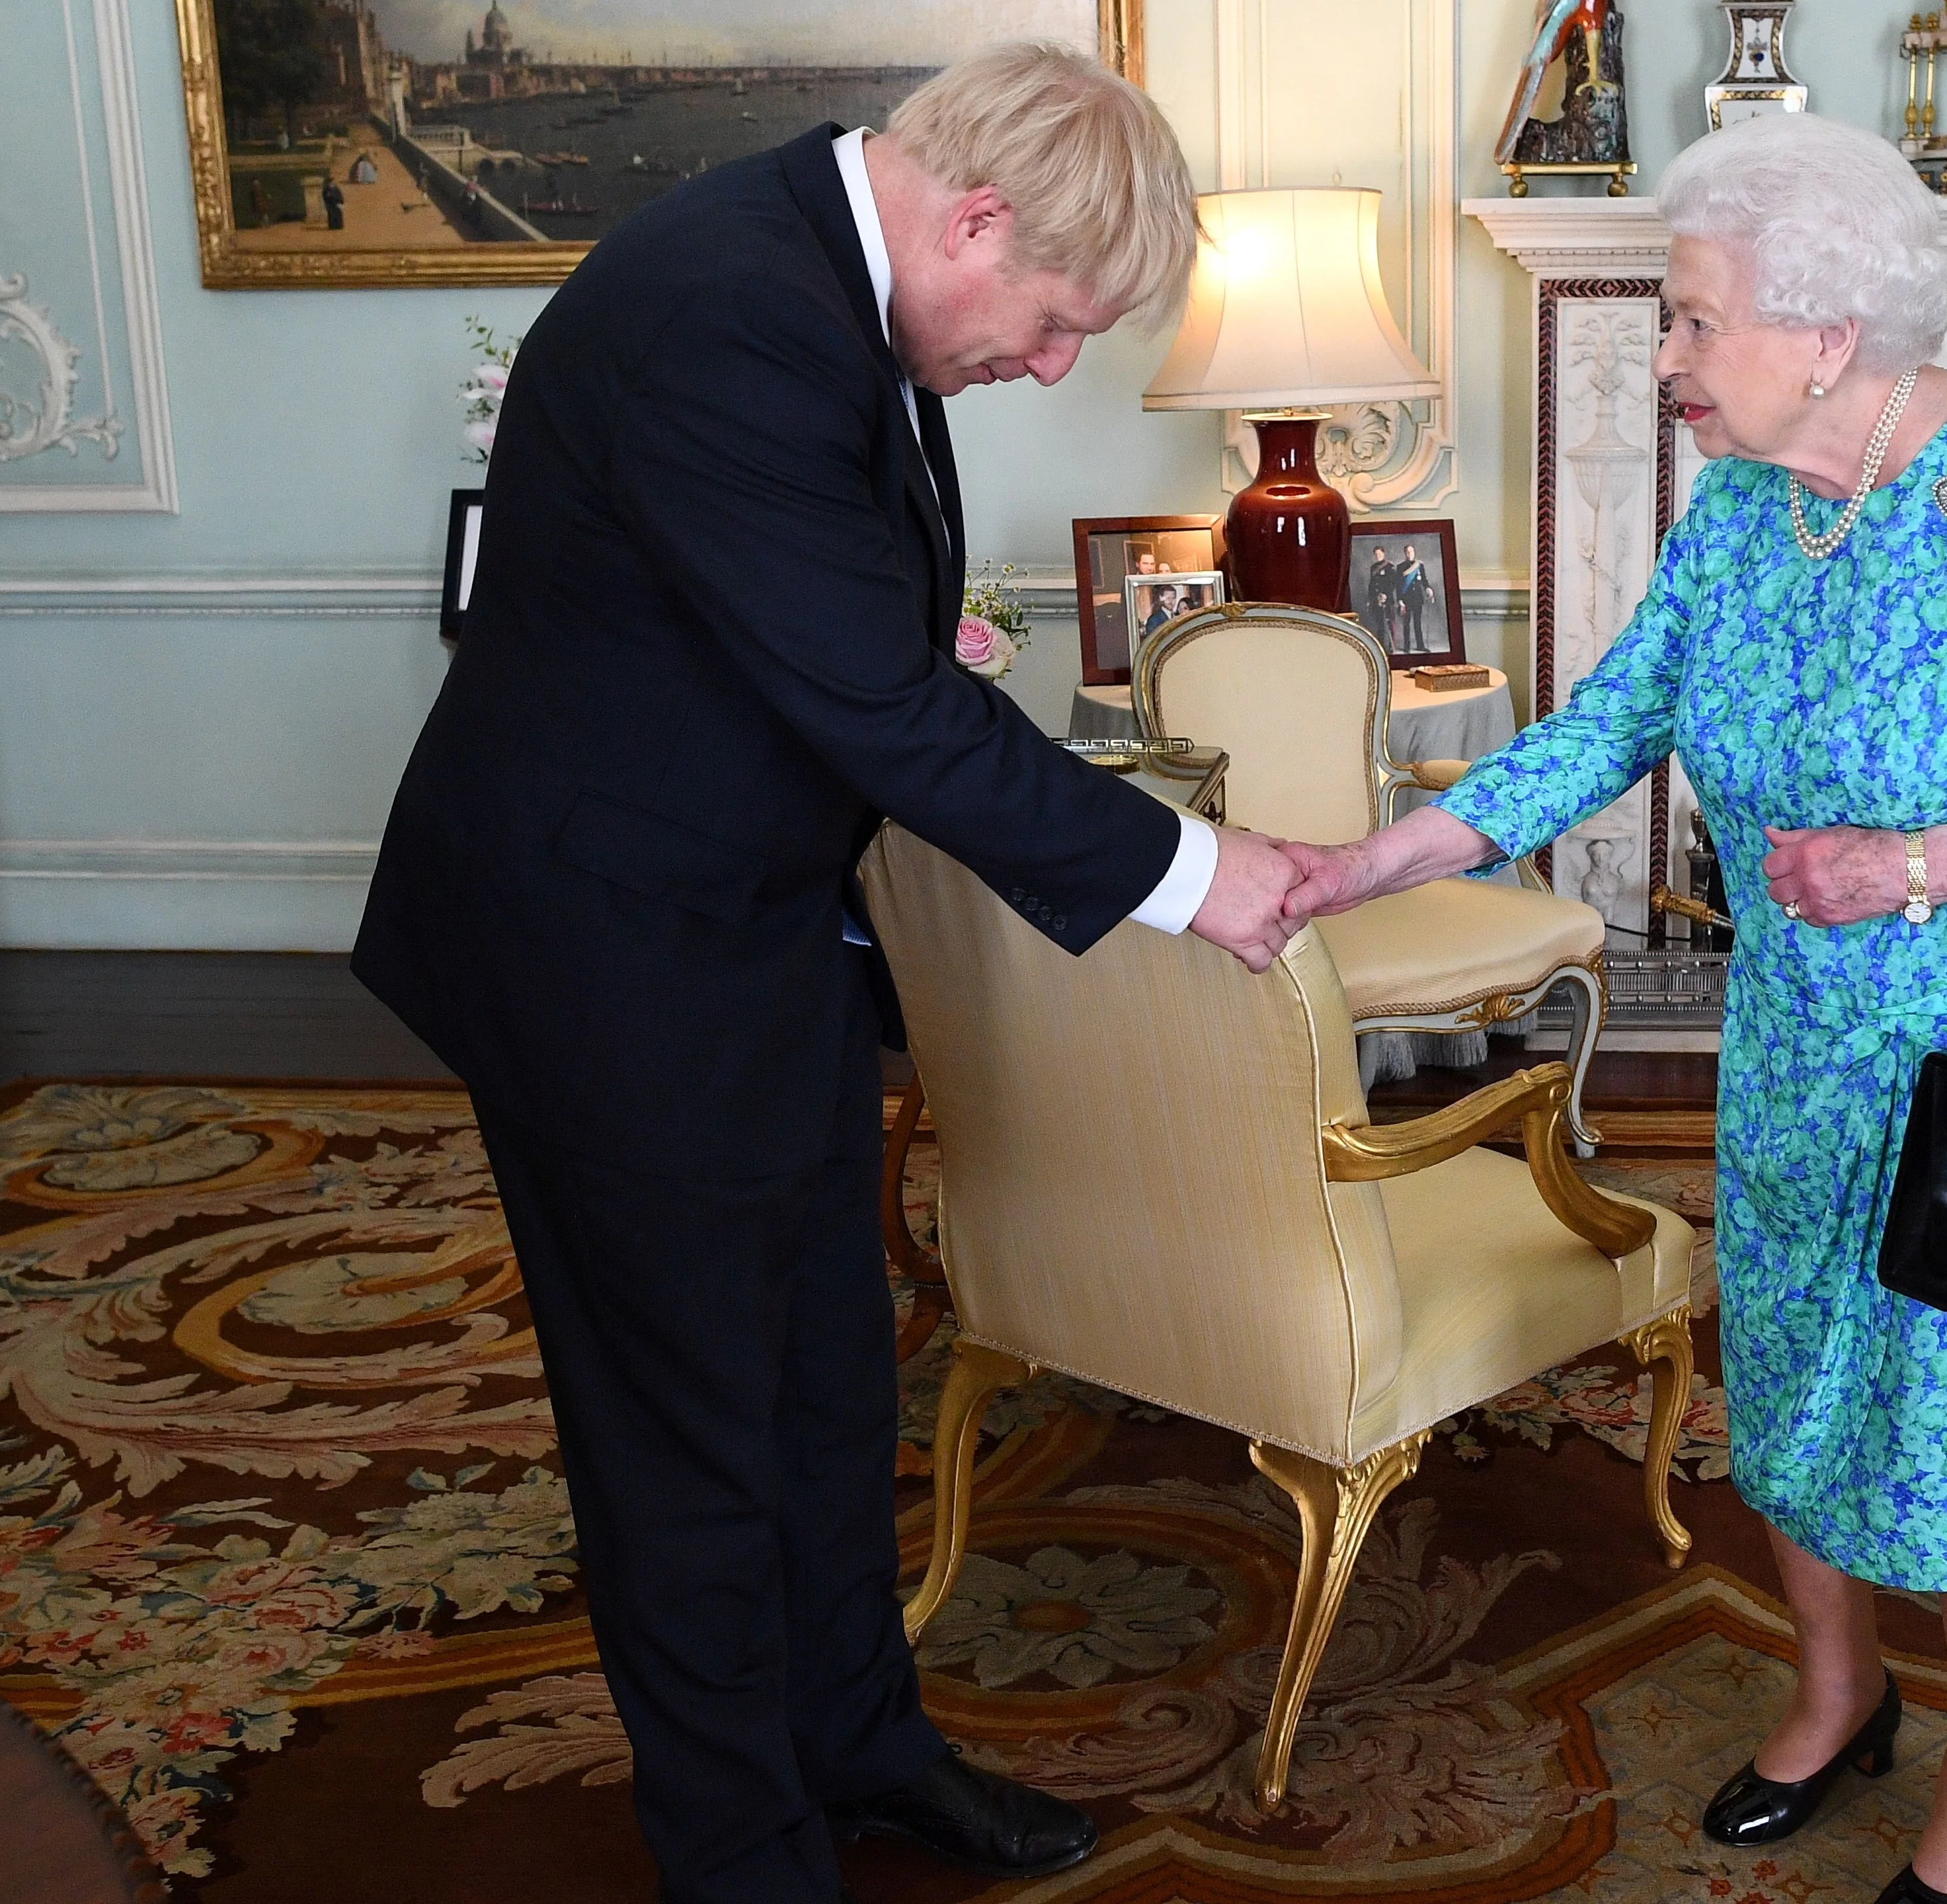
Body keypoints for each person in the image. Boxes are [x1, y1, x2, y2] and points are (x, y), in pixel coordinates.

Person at [352, 44, 1302, 1904]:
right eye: (1053, 324)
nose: (1047, 369)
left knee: (820, 1384)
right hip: (598, 952)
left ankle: (860, 1747)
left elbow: (863, 643)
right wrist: (1198, 872)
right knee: (687, 1437)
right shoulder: (725, 314)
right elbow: (882, 700)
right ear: (972, 218)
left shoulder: (825, 271)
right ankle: (745, 1856)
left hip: (747, 924)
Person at [1279, 110, 1947, 1904]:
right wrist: (1373, 857)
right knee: (1795, 1366)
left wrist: (1918, 863)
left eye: (1693, 320)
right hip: (1798, 1041)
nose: (1666, 361)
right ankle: (1836, 1692)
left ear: (1826, 327)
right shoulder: (1740, 507)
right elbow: (1612, 721)